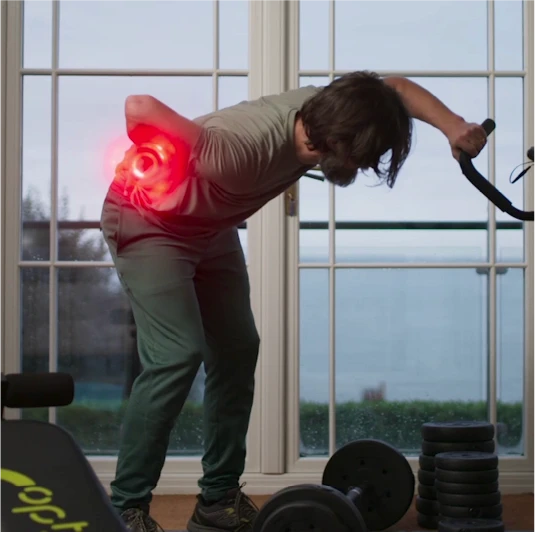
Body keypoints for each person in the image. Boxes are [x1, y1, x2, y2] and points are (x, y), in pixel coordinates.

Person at [100, 71, 488, 533]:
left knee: (238, 348)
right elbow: (140, 106)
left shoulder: (324, 108)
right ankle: (124, 510)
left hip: (208, 225)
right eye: (365, 158)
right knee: (176, 356)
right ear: (339, 145)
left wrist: (454, 126)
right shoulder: (236, 152)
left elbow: (395, 91)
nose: (366, 166)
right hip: (150, 223)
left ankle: (218, 501)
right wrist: (147, 154)